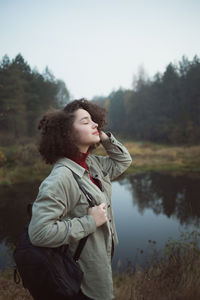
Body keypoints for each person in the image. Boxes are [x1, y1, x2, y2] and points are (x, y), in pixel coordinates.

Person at [28, 99, 132, 300]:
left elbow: (123, 161)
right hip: (80, 280)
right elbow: (39, 233)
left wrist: (105, 138)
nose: (94, 124)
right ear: (68, 133)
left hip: (99, 259)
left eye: (94, 121)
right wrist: (90, 221)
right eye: (85, 122)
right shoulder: (60, 178)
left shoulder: (92, 164)